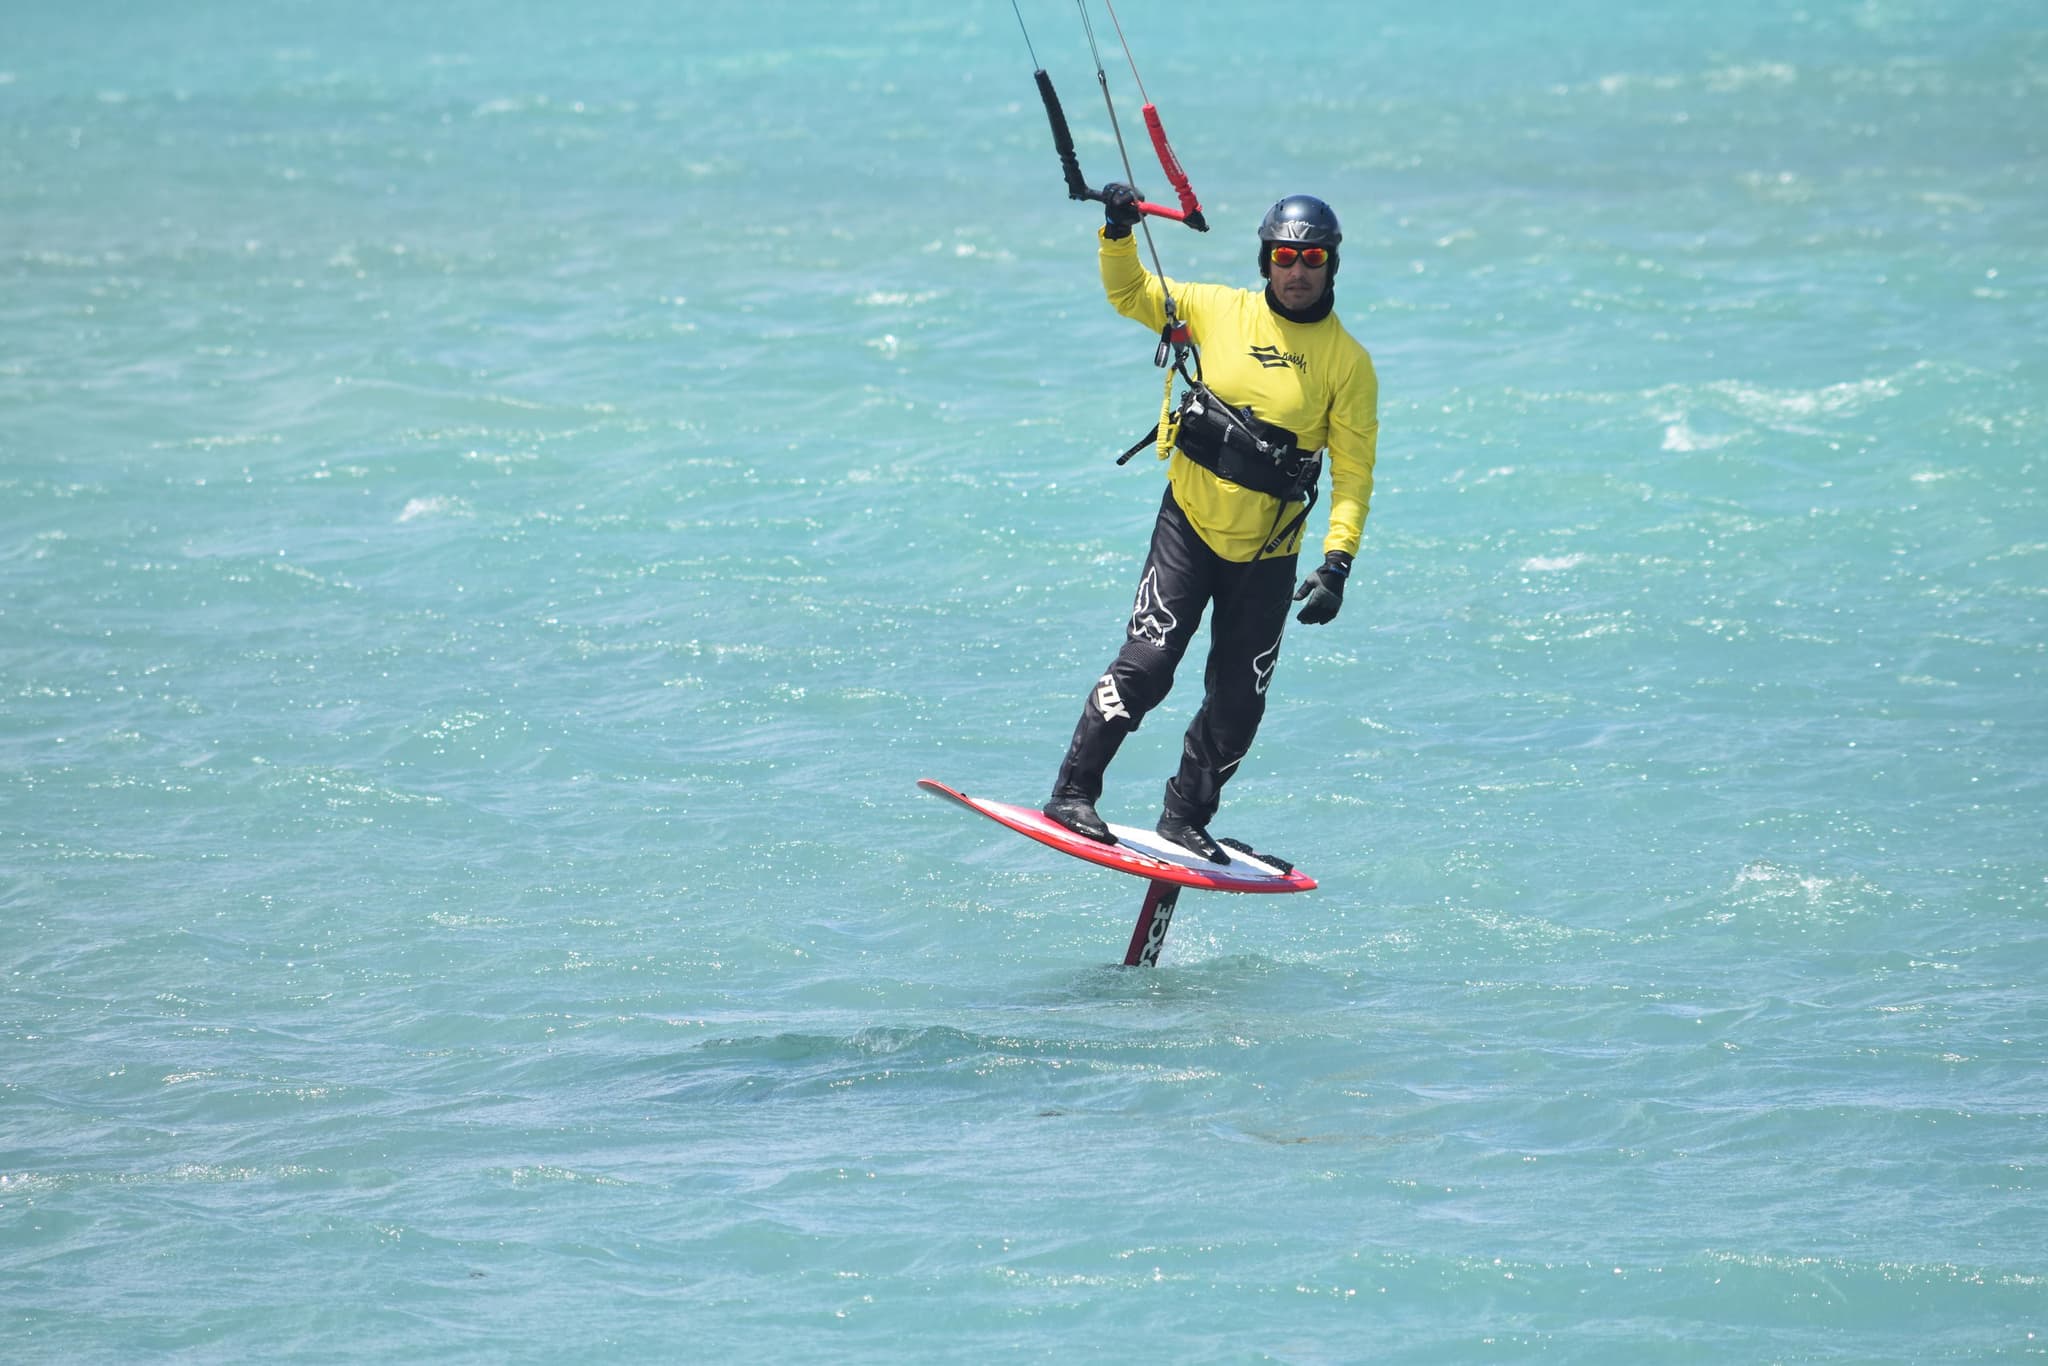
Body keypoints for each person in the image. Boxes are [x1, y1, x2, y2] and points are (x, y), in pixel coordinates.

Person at [1043, 186, 1379, 862]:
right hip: (1189, 528)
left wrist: (1337, 563)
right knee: (1149, 663)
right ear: (1266, 259)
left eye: (1312, 256)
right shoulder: (1215, 309)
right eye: (1285, 255)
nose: (1298, 269)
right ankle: (1073, 791)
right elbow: (1131, 293)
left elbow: (1353, 476)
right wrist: (1117, 229)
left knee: (1238, 706)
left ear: (1331, 265)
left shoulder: (1349, 363)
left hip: (1268, 553)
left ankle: (1185, 817)